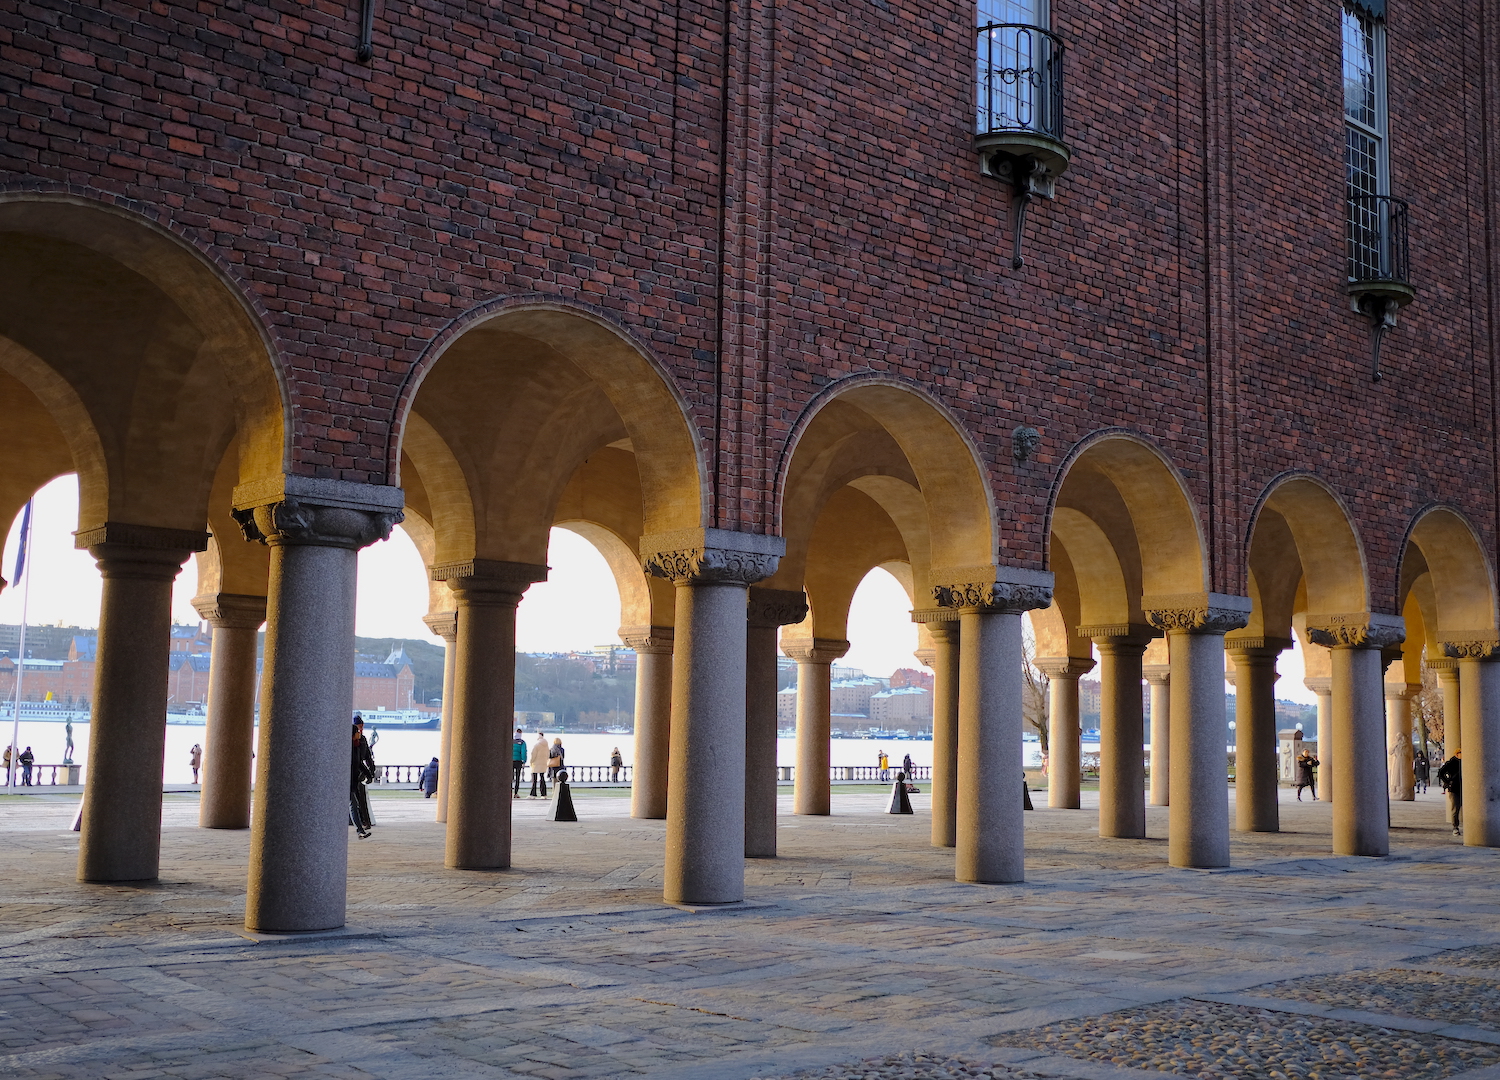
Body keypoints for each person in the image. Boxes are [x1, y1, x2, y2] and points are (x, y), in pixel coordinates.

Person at [350, 720, 376, 838]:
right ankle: (360, 830)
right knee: (354, 804)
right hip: (347, 782)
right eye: (357, 732)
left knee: (354, 805)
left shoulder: (356, 746)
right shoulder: (348, 749)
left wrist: (369, 774)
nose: (359, 734)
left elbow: (360, 762)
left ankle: (360, 830)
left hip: (353, 781)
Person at [1438, 750, 1463, 837]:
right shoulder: (1451, 762)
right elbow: (1441, 772)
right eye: (1461, 753)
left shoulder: (1466, 762)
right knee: (1455, 808)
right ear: (1457, 754)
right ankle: (1455, 827)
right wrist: (1448, 781)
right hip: (1454, 788)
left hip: (1465, 788)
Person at [529, 731, 551, 798]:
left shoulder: (536, 745)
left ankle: (533, 794)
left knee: (534, 780)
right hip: (543, 764)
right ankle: (543, 794)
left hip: (536, 764)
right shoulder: (546, 745)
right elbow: (548, 755)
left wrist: (531, 762)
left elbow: (533, 755)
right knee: (542, 778)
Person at [512, 727, 526, 798]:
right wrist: (524, 760)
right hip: (518, 761)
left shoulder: (511, 741)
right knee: (517, 777)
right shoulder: (522, 742)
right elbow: (523, 752)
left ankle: (509, 791)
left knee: (510, 777)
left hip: (511, 761)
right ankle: (516, 792)